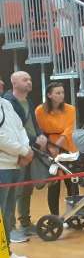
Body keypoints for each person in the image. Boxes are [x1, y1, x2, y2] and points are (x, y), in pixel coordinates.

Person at [3, 72, 43, 243]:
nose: (29, 82)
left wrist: (39, 136)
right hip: (15, 154)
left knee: (27, 188)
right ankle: (10, 229)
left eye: (30, 79)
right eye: (24, 79)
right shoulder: (9, 102)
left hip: (29, 149)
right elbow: (11, 132)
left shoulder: (27, 101)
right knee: (12, 194)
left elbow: (29, 125)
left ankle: (25, 223)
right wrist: (30, 143)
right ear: (14, 83)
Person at [34, 82, 80, 215]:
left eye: (62, 92)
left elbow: (69, 129)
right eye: (57, 93)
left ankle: (74, 213)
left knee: (72, 181)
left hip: (67, 145)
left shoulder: (70, 109)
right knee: (54, 183)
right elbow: (39, 130)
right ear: (49, 95)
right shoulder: (40, 110)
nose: (61, 95)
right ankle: (55, 216)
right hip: (48, 146)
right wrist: (49, 147)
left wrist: (58, 146)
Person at [0, 95, 32, 258]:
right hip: (2, 167)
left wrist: (25, 150)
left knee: (8, 213)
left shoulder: (6, 103)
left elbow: (20, 129)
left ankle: (6, 252)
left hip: (15, 164)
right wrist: (23, 151)